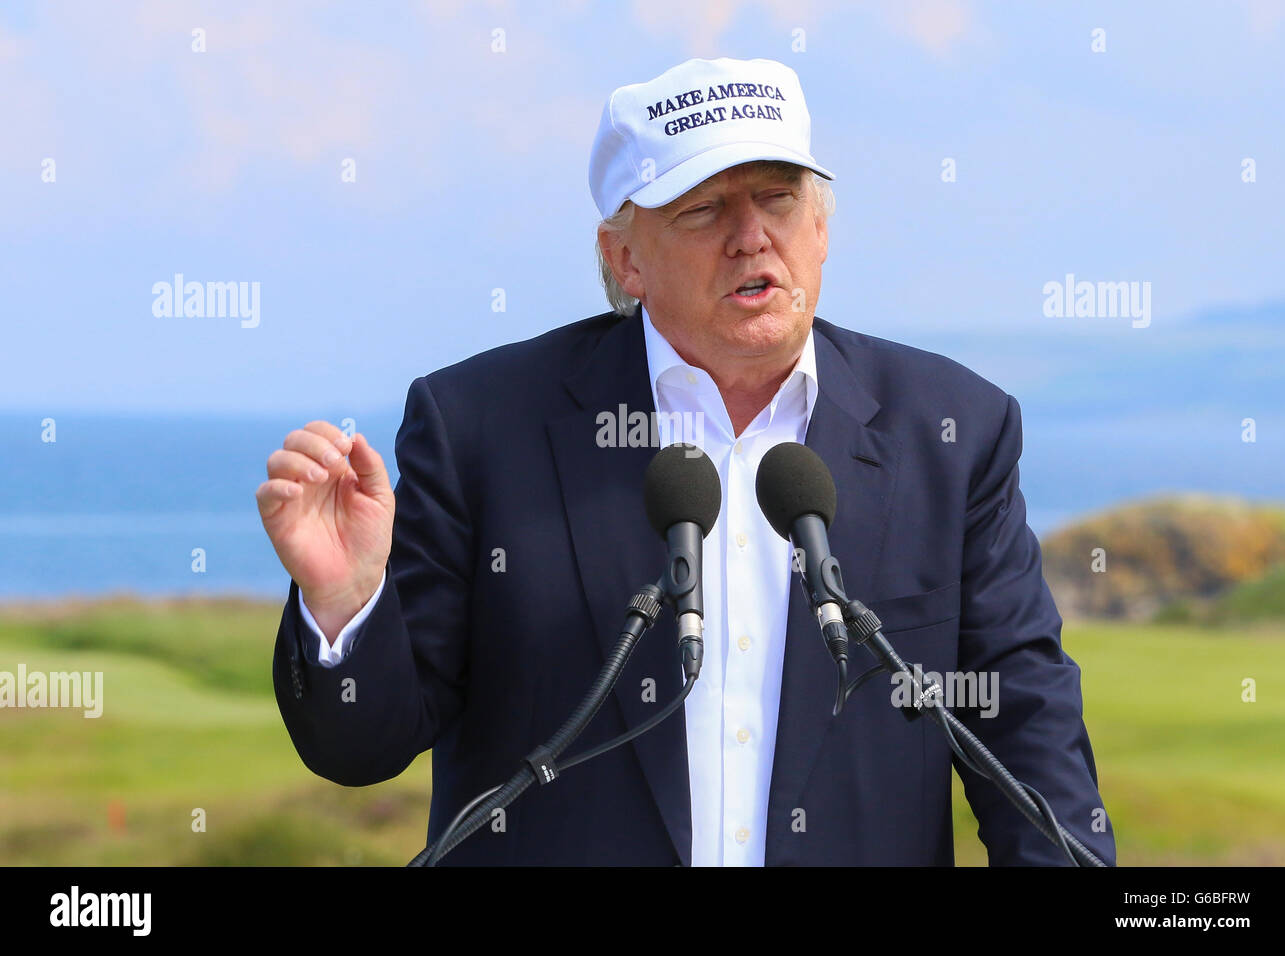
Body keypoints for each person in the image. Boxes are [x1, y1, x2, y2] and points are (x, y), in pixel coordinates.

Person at [256, 56, 1115, 866]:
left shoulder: (952, 431)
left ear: (820, 231)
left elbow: (1025, 737)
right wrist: (345, 603)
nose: (751, 239)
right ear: (625, 258)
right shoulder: (480, 428)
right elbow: (361, 748)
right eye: (704, 210)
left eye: (778, 201)